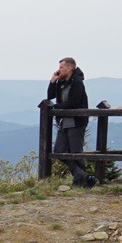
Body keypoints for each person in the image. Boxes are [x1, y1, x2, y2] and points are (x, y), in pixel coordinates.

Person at [46, 58, 91, 186]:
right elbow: (50, 96)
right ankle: (82, 176)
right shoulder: (62, 82)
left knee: (76, 152)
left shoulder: (77, 83)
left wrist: (56, 107)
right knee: (59, 151)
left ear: (69, 68)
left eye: (61, 67)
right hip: (64, 121)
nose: (59, 70)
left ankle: (81, 180)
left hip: (76, 121)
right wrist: (53, 81)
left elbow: (73, 103)